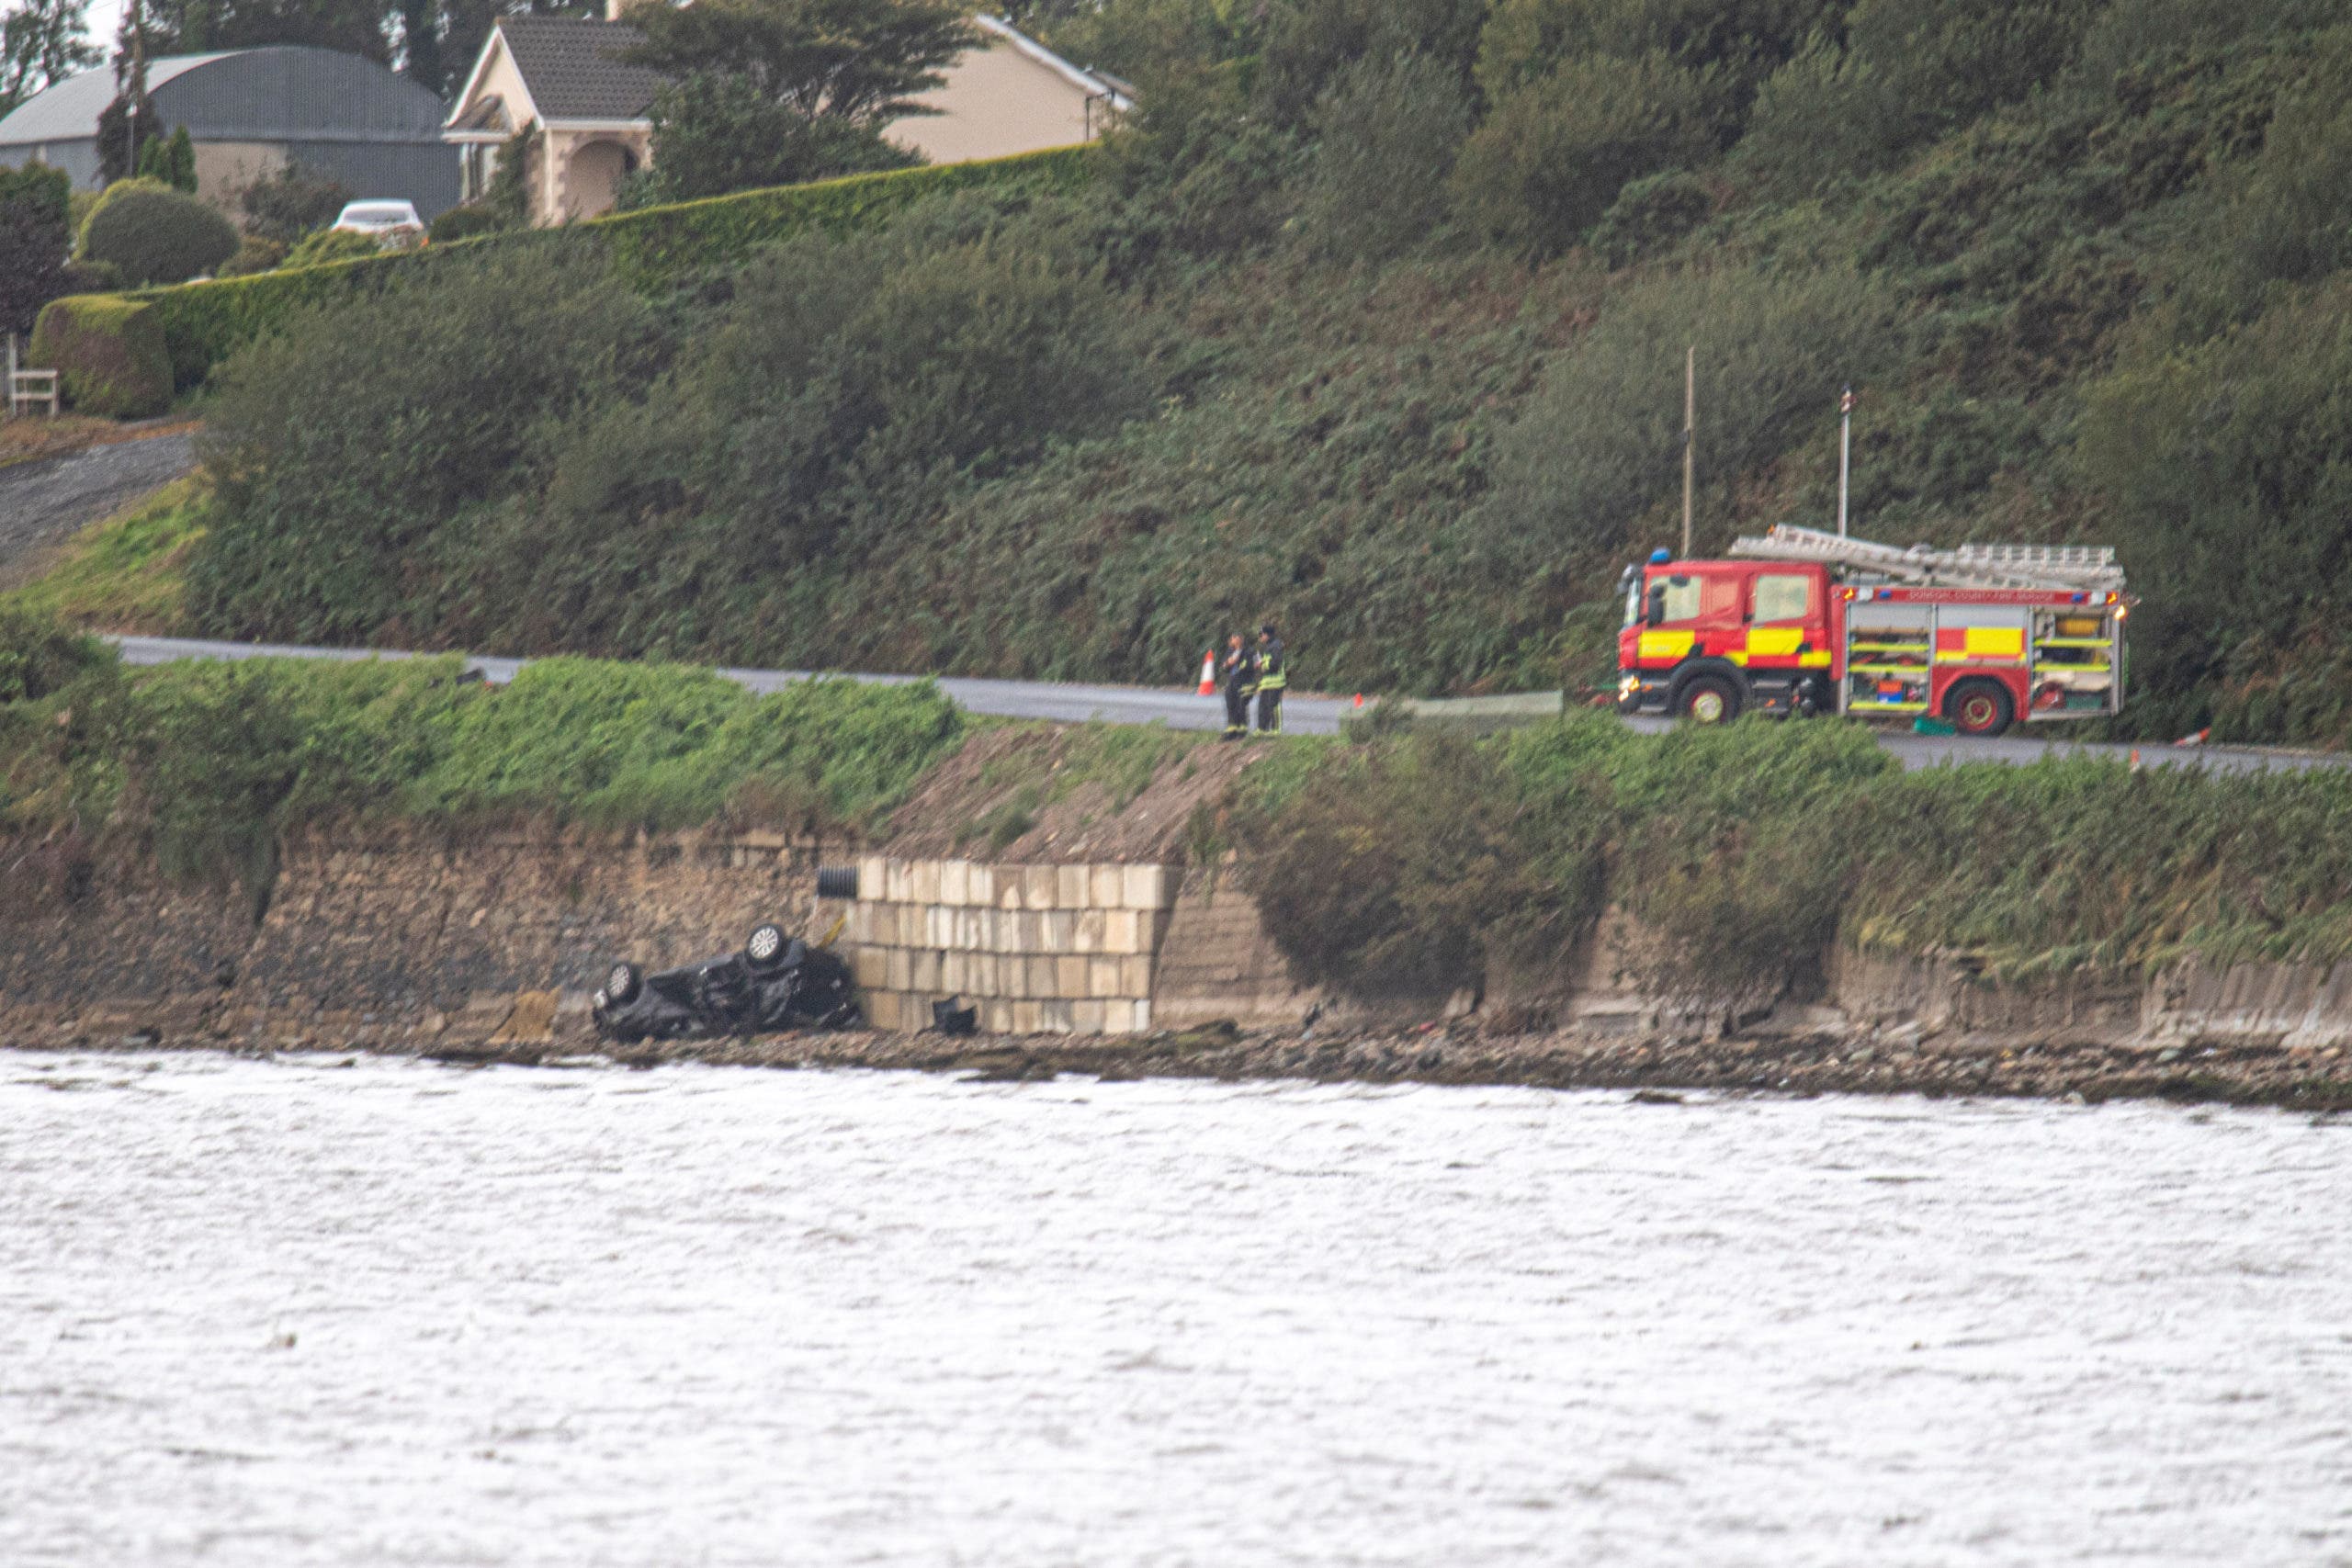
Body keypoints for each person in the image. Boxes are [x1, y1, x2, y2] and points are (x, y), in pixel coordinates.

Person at [1219, 633, 1254, 741]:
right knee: (1231, 706)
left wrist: (1237, 660)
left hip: (1244, 683)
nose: (1233, 641)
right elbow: (1224, 666)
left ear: (1241, 639)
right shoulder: (1230, 651)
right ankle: (1232, 731)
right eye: (1232, 639)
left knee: (1241, 707)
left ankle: (1242, 732)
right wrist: (1227, 664)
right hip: (1232, 682)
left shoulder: (1249, 651)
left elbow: (1250, 666)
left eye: (1235, 638)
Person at [1253, 623, 1286, 735]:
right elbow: (1269, 662)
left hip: (1276, 682)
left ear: (1267, 634)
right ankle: (1262, 729)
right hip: (1267, 682)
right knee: (1263, 706)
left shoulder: (1276, 645)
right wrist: (1262, 663)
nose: (1260, 637)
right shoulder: (1269, 646)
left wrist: (1262, 665)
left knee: (1274, 705)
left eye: (1261, 634)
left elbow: (1275, 664)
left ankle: (1276, 729)